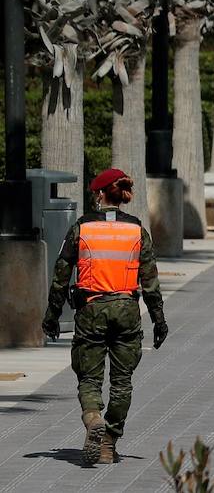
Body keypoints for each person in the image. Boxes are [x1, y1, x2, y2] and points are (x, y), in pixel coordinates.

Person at [41, 168, 170, 466]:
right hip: (126, 311)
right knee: (122, 382)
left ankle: (93, 417)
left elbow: (61, 276)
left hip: (91, 311)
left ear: (100, 194)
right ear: (121, 196)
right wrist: (159, 320)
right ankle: (109, 443)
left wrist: (52, 315)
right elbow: (150, 282)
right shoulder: (137, 231)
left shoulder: (82, 229)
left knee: (89, 376)